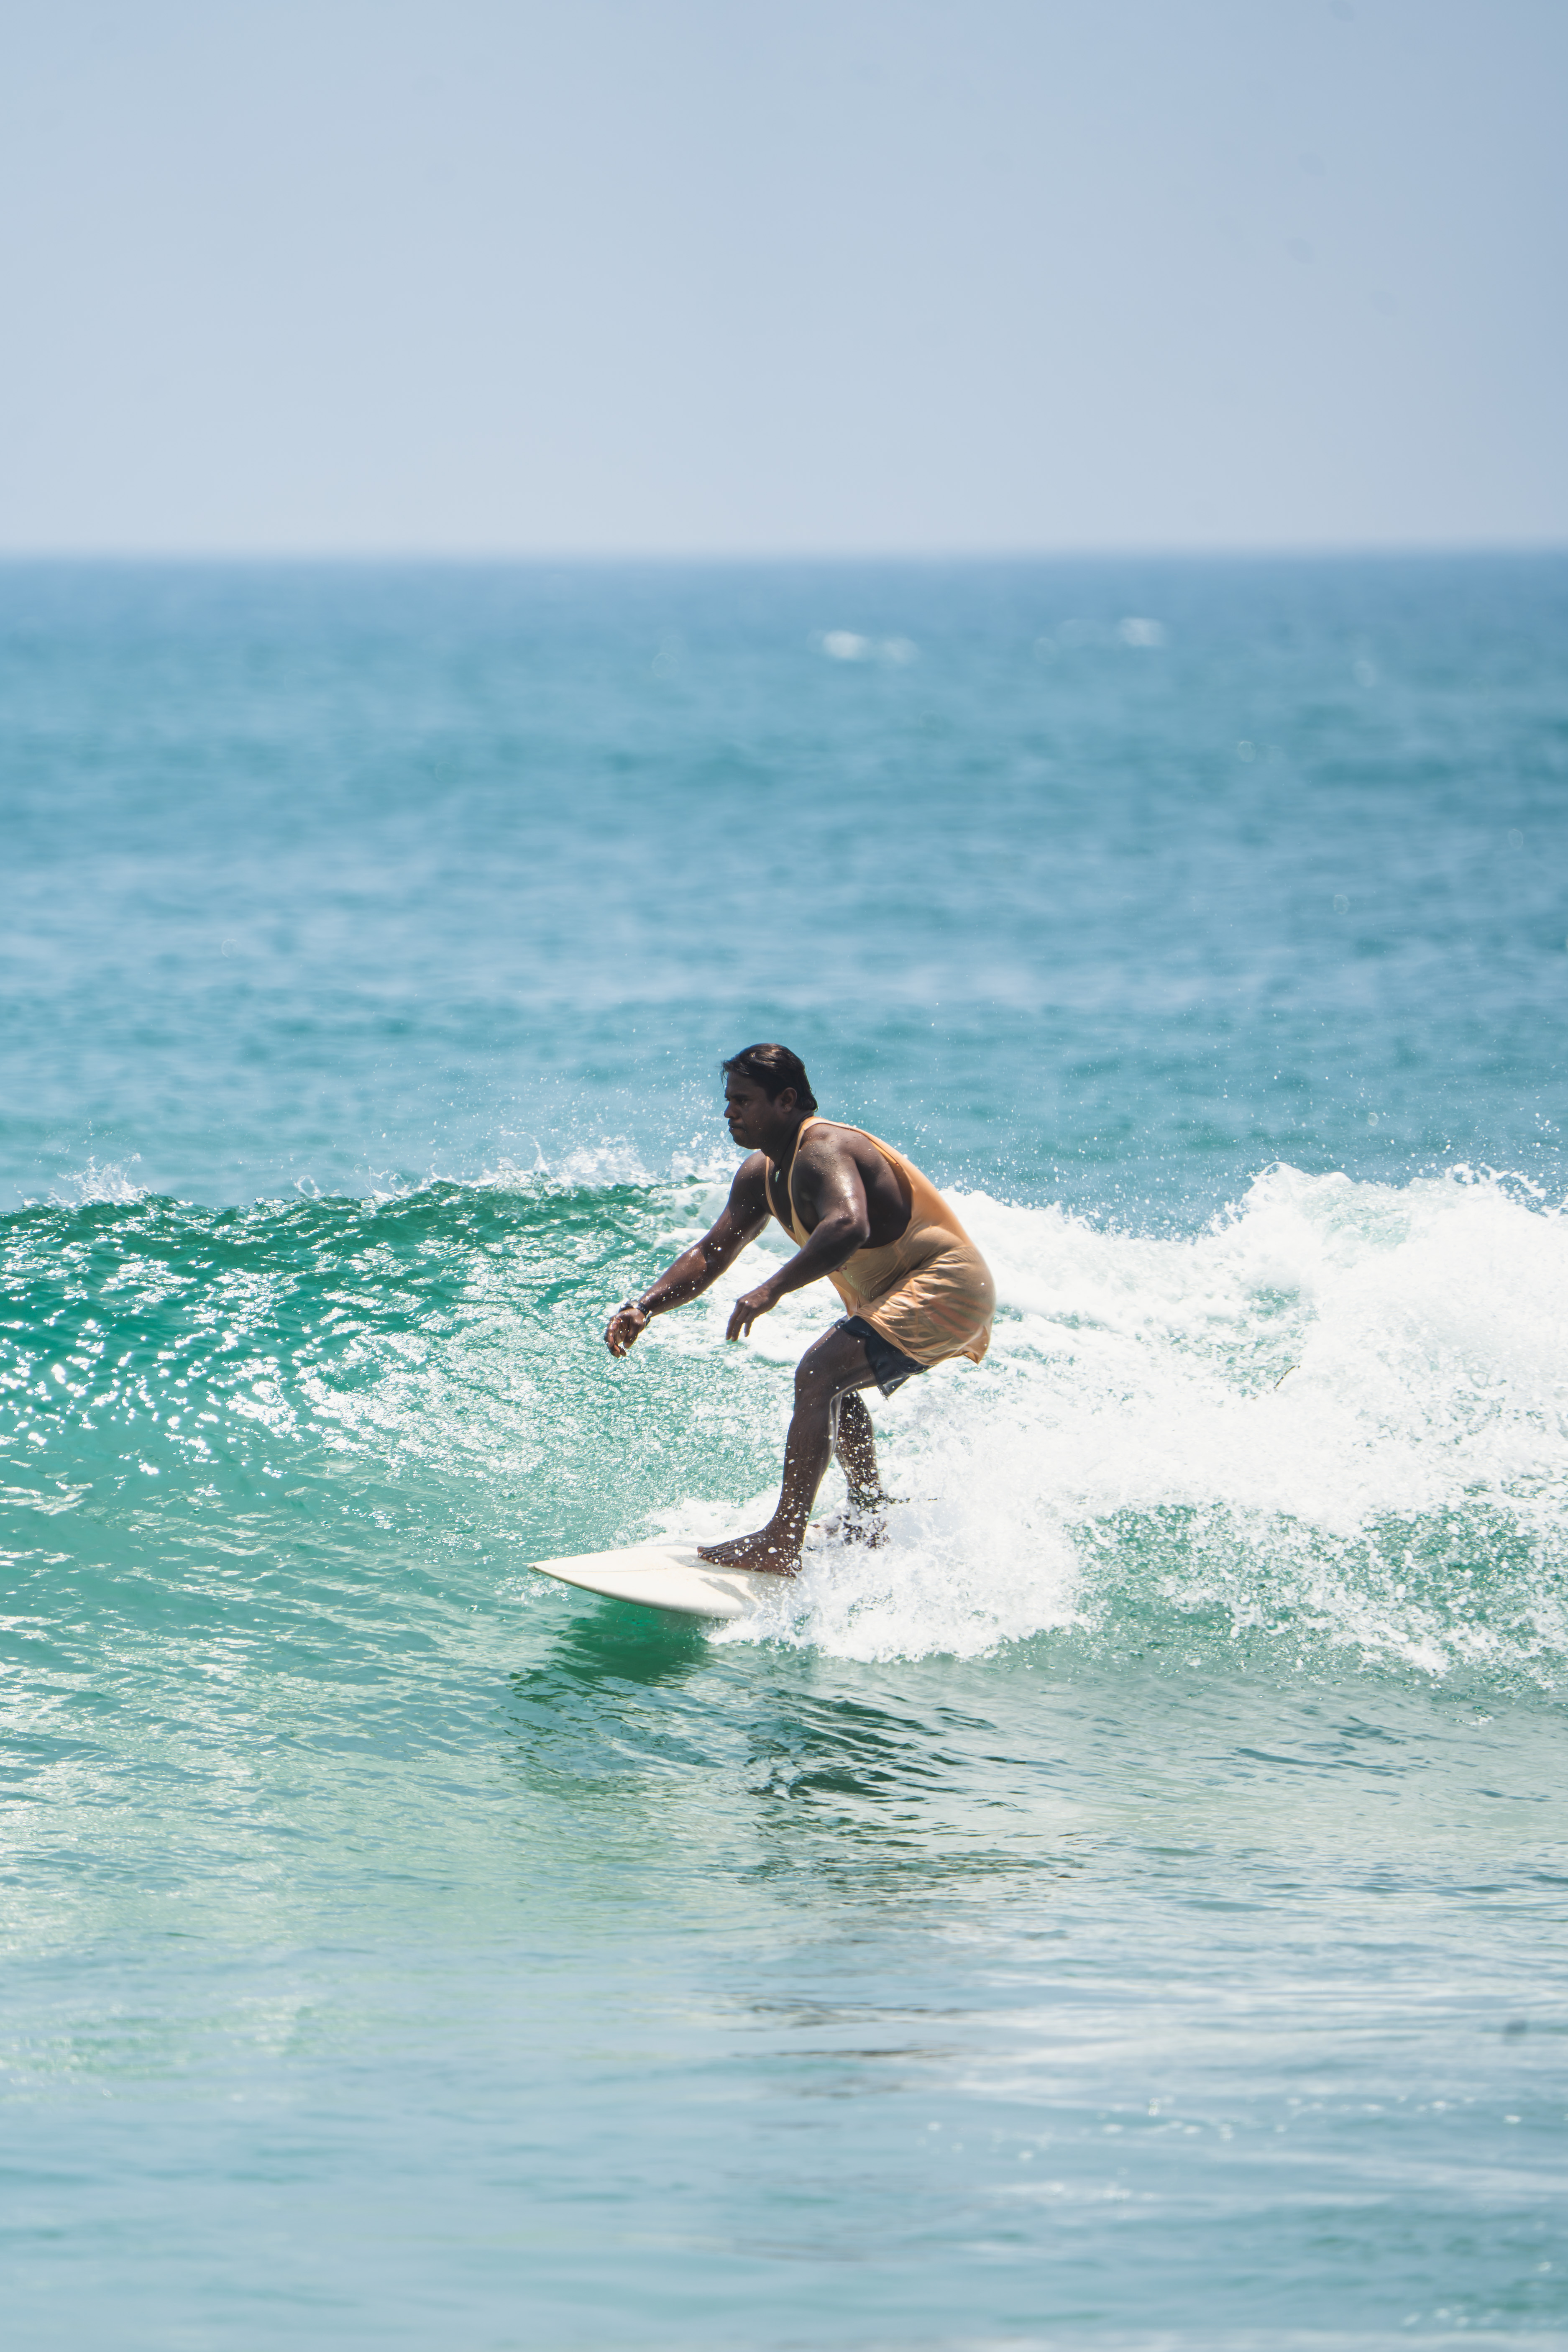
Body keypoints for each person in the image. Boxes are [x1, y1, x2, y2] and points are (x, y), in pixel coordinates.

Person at [603, 1044, 995, 1574]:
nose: (728, 1113)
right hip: (902, 1289)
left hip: (945, 1286)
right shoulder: (759, 1174)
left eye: (743, 1100)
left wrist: (771, 1289)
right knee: (831, 1386)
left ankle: (781, 1539)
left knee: (819, 1372)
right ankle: (868, 1513)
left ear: (787, 1100)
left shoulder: (823, 1149)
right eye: (727, 1100)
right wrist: (644, 1306)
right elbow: (710, 1252)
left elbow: (847, 1224)